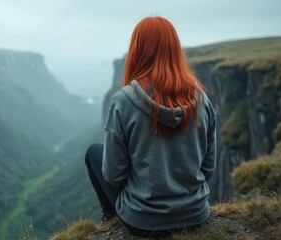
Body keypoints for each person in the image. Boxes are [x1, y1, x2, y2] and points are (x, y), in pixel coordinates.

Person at [84, 16, 217, 236]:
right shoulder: (202, 100)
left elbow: (114, 174)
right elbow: (208, 169)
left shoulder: (124, 101)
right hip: (195, 216)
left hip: (143, 222)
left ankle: (109, 216)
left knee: (92, 153)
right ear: (175, 50)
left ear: (137, 50)